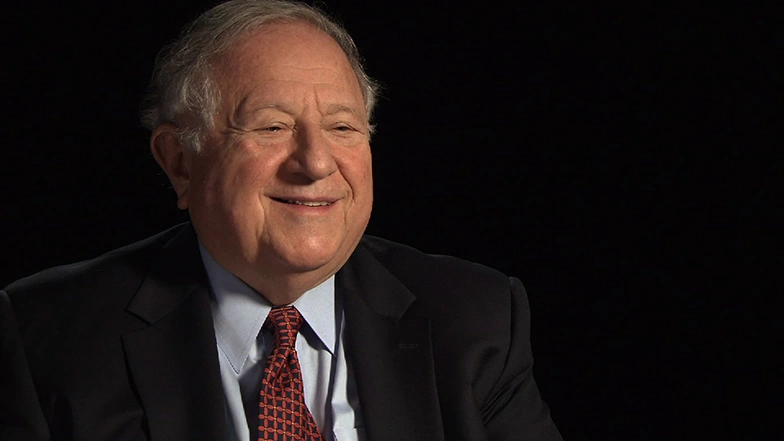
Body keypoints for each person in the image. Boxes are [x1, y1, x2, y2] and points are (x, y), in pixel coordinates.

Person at [0, 0, 563, 440]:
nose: (316, 163)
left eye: (343, 127)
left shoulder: (476, 321)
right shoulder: (43, 337)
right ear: (180, 163)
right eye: (271, 127)